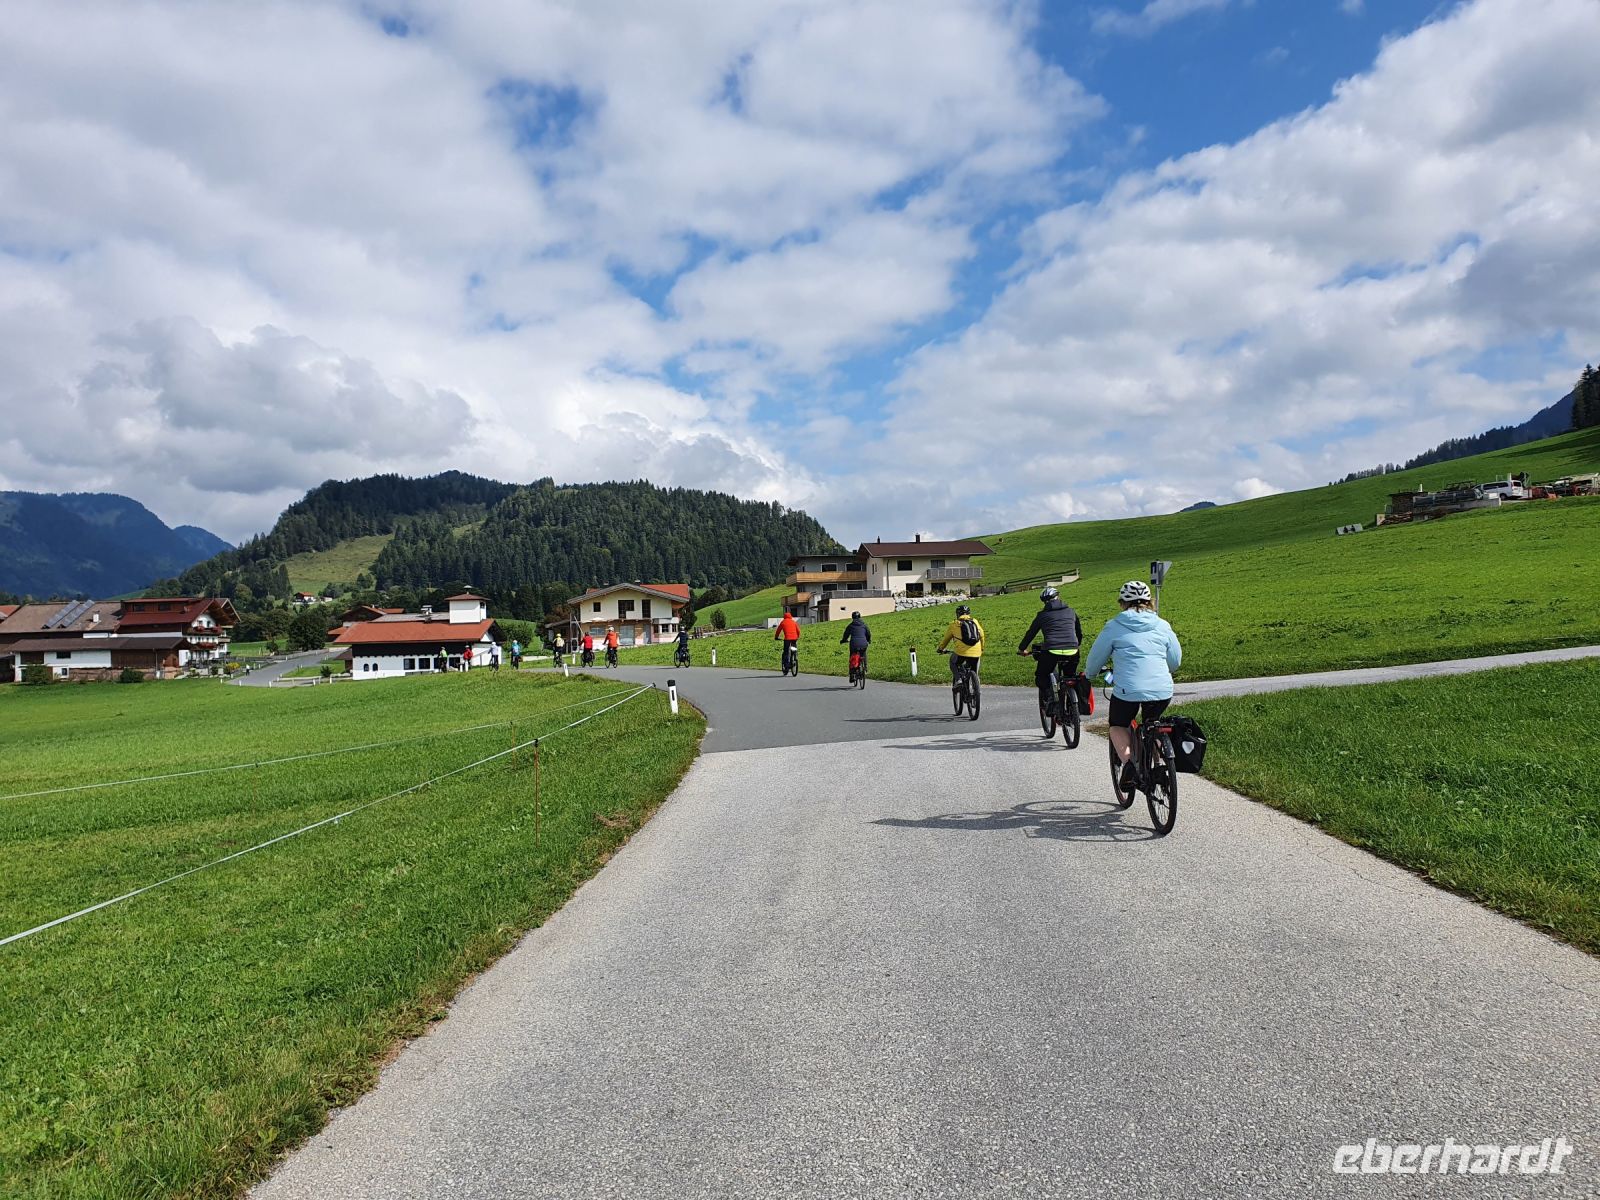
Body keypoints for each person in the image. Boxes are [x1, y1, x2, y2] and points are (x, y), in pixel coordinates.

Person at [1082, 581, 1182, 787]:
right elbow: (1175, 662)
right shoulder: (1163, 625)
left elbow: (1094, 660)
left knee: (1118, 725)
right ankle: (1158, 765)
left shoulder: (1113, 626)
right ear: (1150, 602)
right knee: (1153, 723)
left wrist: (1090, 674)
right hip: (1162, 689)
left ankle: (1129, 765)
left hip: (1128, 690)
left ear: (1122, 603)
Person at [1015, 585, 1083, 713]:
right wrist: (1076, 644)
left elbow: (1031, 633)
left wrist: (1022, 649)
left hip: (1051, 650)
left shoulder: (1042, 615)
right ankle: (1073, 706)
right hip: (1073, 650)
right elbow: (1078, 632)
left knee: (1041, 676)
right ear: (1058, 597)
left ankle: (1051, 698)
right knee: (1070, 677)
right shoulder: (1071, 612)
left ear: (1045, 602)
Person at [935, 604, 984, 686]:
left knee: (953, 662)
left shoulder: (954, 624)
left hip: (961, 652)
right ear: (969, 613)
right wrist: (981, 648)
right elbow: (982, 635)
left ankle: (958, 679)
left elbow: (946, 639)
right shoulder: (975, 621)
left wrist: (940, 649)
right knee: (975, 670)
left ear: (957, 614)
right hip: (976, 652)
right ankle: (976, 684)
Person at [839, 611, 871, 677]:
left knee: (852, 655)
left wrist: (843, 640)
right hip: (863, 643)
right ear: (860, 617)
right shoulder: (864, 625)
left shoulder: (850, 626)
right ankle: (865, 669)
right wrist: (868, 640)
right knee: (863, 653)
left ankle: (852, 674)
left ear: (852, 617)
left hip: (854, 644)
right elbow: (868, 634)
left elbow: (846, 635)